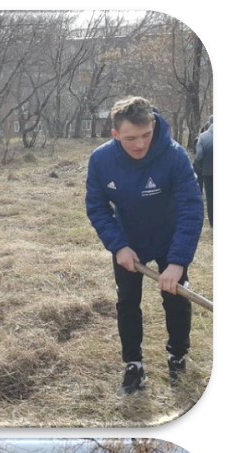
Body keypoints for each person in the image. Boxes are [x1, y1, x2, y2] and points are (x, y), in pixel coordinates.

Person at [85, 96, 204, 394]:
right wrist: (118, 246)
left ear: (153, 124)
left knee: (177, 298)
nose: (139, 144)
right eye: (130, 138)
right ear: (115, 134)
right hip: (129, 242)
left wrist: (177, 262)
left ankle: (177, 355)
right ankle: (133, 365)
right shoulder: (101, 160)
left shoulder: (174, 156)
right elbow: (98, 207)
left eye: (146, 135)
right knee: (127, 301)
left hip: (170, 238)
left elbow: (191, 207)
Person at [194, 116, 213, 227]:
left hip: (208, 171)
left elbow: (199, 156)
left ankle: (213, 222)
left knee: (210, 197)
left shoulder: (203, 137)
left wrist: (199, 166)